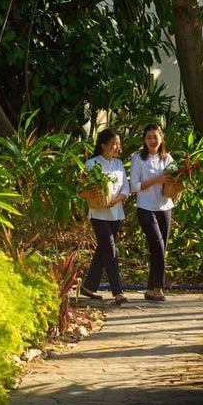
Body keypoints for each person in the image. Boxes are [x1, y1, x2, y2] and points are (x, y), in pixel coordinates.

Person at [79, 128, 131, 305]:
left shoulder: (119, 164)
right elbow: (82, 191)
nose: (117, 148)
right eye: (113, 144)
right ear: (103, 145)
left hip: (116, 213)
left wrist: (117, 199)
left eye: (118, 145)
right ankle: (118, 292)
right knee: (110, 250)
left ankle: (88, 286)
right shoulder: (91, 164)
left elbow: (125, 188)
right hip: (99, 214)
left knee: (103, 250)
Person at [129, 123, 175, 302]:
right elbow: (134, 186)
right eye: (149, 137)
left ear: (162, 138)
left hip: (165, 207)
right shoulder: (138, 159)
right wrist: (157, 179)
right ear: (144, 140)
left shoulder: (168, 159)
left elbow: (175, 178)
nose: (152, 140)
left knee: (161, 249)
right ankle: (158, 288)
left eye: (155, 137)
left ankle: (150, 289)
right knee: (156, 245)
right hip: (146, 208)